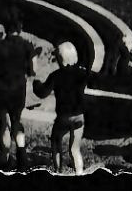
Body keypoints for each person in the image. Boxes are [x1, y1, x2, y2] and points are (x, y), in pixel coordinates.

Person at [0, 12, 36, 168]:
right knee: (16, 121)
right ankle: (21, 153)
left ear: (5, 28)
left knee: (3, 125)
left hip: (1, 90)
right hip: (18, 90)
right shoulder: (27, 46)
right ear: (20, 27)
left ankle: (4, 157)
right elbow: (34, 70)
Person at [33, 42, 91, 175]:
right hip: (79, 116)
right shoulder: (82, 73)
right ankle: (79, 173)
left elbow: (42, 93)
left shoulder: (56, 75)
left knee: (55, 141)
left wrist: (36, 83)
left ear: (60, 59)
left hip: (63, 117)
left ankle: (58, 171)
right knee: (74, 149)